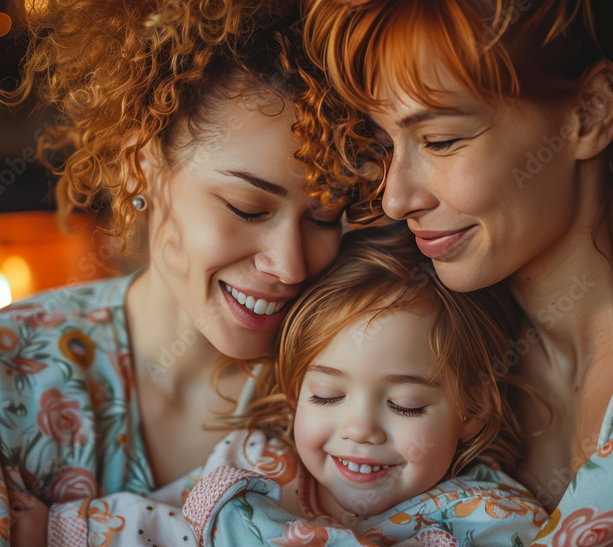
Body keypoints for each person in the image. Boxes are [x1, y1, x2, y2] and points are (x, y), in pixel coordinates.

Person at [303, 0, 613, 544]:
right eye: (385, 144)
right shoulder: (445, 327)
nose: (395, 198)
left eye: (441, 140)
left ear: (590, 113)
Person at [0, 0, 351, 545]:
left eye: (324, 217)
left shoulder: (354, 384)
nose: (290, 265)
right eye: (247, 208)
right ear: (137, 167)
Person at [179, 222, 550, 545]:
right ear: (295, 392)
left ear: (473, 408)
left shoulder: (491, 518)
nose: (359, 430)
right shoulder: (251, 464)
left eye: (405, 404)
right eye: (326, 397)